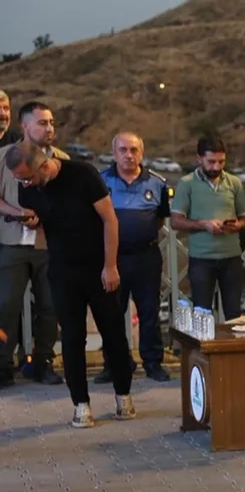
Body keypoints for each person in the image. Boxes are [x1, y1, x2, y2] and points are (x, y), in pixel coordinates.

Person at [5, 141, 135, 427]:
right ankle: (80, 404)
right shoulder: (28, 187)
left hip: (98, 266)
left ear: (43, 165)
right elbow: (42, 218)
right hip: (62, 269)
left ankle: (123, 394)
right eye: (20, 180)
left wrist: (110, 266)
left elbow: (109, 220)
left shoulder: (83, 174)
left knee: (113, 332)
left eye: (27, 178)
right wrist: (32, 221)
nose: (25, 184)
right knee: (72, 337)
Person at [96, 132, 171, 384]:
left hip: (146, 257)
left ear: (142, 153)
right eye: (123, 150)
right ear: (114, 153)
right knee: (111, 313)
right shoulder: (100, 182)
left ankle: (153, 363)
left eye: (134, 150)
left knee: (149, 311)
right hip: (113, 258)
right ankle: (115, 364)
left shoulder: (158, 183)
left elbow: (160, 219)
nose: (129, 155)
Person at [0, 101, 62, 387]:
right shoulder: (3, 157)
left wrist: (45, 217)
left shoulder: (60, 159)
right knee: (6, 306)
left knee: (50, 306)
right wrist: (18, 213)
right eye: (42, 123)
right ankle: (3, 365)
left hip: (48, 245)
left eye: (51, 123)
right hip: (11, 243)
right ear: (24, 126)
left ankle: (43, 362)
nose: (49, 128)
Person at [170, 135, 245, 319]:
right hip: (201, 259)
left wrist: (237, 225)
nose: (216, 167)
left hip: (231, 258)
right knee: (202, 313)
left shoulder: (234, 183)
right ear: (199, 159)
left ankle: (231, 340)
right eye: (211, 162)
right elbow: (176, 221)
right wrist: (203, 225)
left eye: (221, 161)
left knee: (234, 313)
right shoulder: (187, 184)